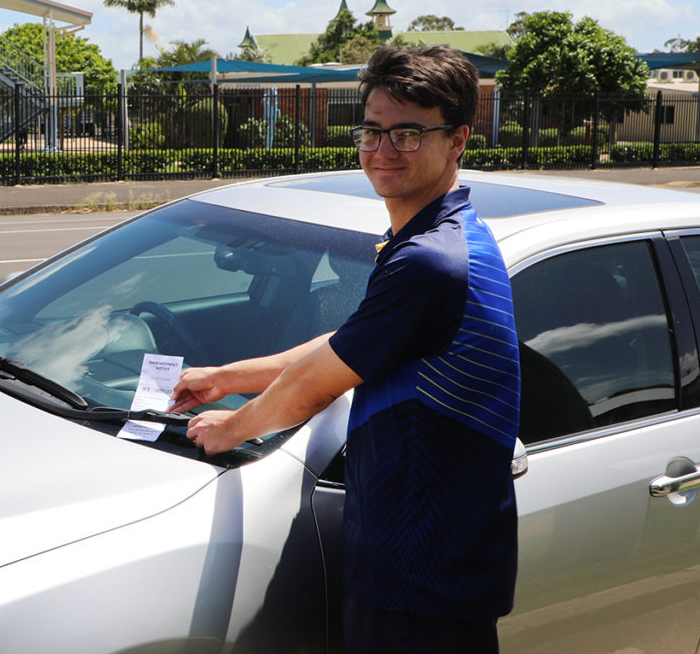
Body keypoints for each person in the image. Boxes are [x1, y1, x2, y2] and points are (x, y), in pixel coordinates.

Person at [171, 44, 521, 653]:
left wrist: (232, 430)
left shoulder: (430, 261)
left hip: (418, 569)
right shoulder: (441, 235)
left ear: (458, 140)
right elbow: (350, 343)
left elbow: (320, 382)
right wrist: (230, 375)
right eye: (373, 130)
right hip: (435, 555)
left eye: (409, 134)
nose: (383, 151)